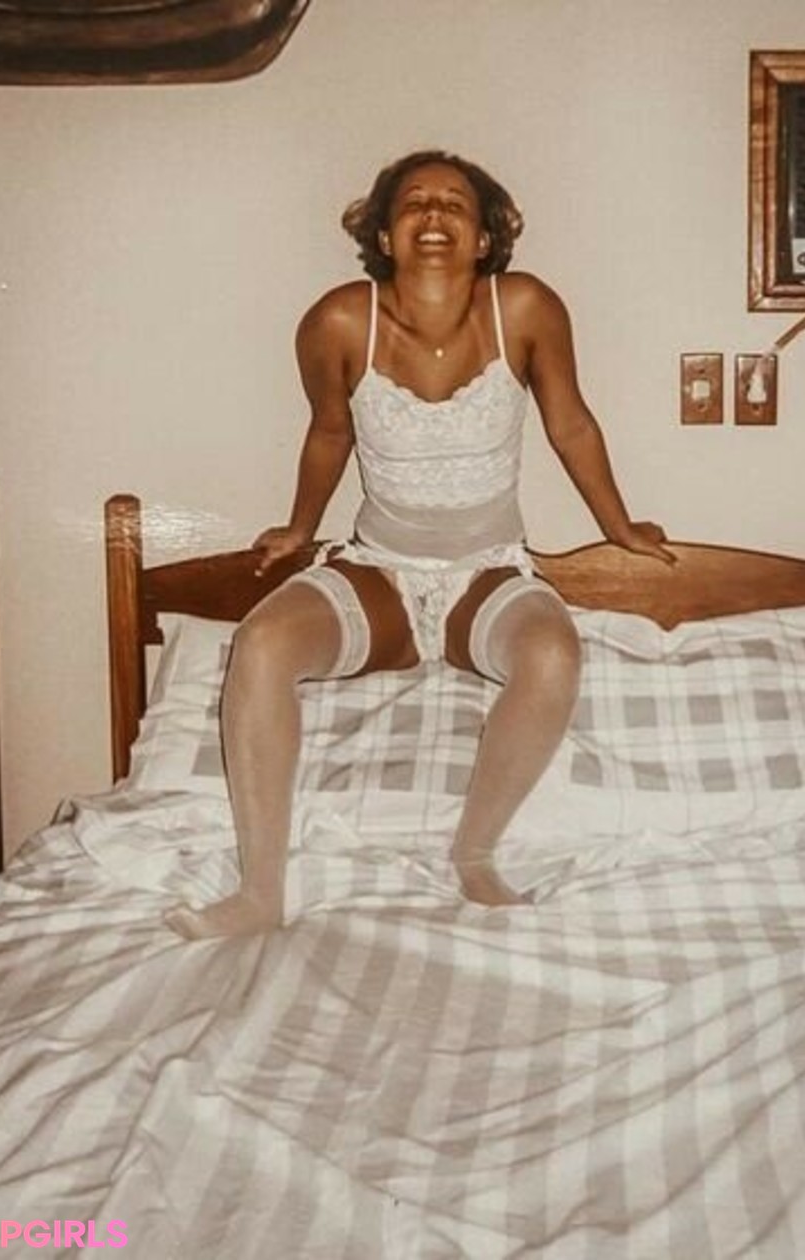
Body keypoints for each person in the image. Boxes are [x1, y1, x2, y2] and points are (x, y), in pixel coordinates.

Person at [167, 149, 673, 940]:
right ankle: (259, 892)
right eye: (413, 203)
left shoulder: (526, 308)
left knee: (552, 654)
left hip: (487, 573)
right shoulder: (339, 321)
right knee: (261, 642)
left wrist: (619, 525)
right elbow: (329, 432)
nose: (433, 215)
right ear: (383, 234)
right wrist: (299, 528)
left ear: (485, 237)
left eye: (454, 204)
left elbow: (571, 424)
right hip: (381, 573)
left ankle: (475, 855)